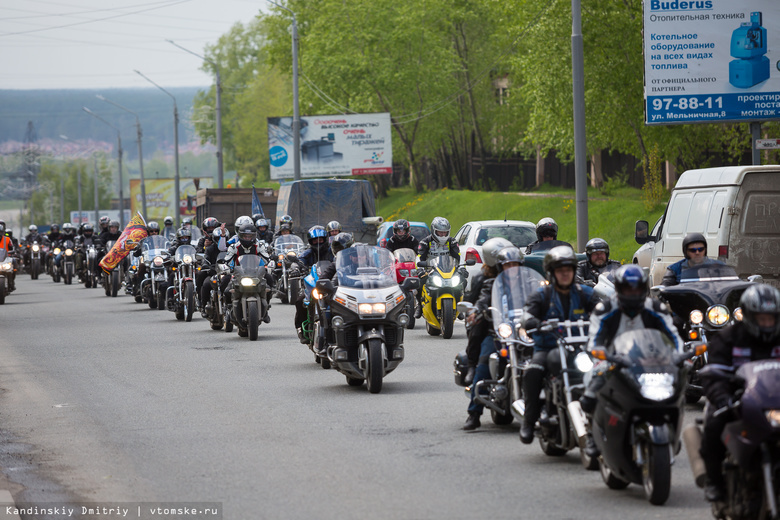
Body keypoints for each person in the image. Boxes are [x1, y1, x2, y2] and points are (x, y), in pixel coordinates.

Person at [580, 264, 682, 456]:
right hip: (612, 359)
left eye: (636, 288)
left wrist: (679, 355)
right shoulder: (605, 309)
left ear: (643, 288)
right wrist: (602, 353)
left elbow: (674, 336)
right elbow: (594, 341)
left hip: (650, 359)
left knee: (678, 382)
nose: (632, 293)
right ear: (619, 289)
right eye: (628, 288)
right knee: (591, 388)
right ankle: (592, 434)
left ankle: (672, 428)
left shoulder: (656, 308)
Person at [699, 284, 780, 502]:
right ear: (750, 316)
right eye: (762, 318)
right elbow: (714, 374)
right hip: (736, 399)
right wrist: (722, 398)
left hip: (774, 400)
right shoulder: (728, 338)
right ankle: (714, 481)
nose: (767, 323)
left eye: (771, 318)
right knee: (714, 423)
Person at [520, 245, 596, 444]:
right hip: (548, 348)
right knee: (533, 371)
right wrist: (531, 321)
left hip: (581, 348)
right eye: (560, 271)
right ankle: (529, 421)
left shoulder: (584, 293)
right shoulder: (542, 295)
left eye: (568, 270)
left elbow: (603, 308)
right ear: (552, 273)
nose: (565, 274)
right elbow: (528, 314)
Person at [461, 239, 516, 430]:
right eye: (508, 265)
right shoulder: (491, 283)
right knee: (485, 361)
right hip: (497, 333)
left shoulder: (530, 283)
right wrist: (479, 310)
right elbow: (483, 299)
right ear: (501, 266)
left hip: (522, 334)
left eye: (515, 264)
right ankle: (474, 413)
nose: (512, 268)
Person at [223, 223, 273, 323]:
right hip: (238, 275)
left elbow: (267, 258)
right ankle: (228, 310)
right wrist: (226, 268)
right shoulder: (233, 247)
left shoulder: (259, 246)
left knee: (269, 281)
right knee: (226, 288)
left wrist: (270, 264)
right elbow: (227, 261)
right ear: (240, 236)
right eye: (245, 236)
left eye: (250, 236)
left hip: (256, 274)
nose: (247, 238)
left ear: (254, 236)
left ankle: (266, 308)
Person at [0, 221, 16, 291]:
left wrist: (12, 251)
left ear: (3, 232)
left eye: (0, 232)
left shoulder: (7, 239)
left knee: (14, 261)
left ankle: (12, 282)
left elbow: (12, 248)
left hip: (5, 258)